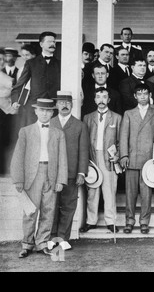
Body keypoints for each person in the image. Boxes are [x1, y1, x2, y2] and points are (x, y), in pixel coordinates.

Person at [10, 98, 67, 258]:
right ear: (36, 111)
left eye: (48, 110)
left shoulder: (58, 133)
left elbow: (62, 158)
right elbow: (18, 157)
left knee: (48, 211)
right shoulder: (25, 131)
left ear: (52, 112)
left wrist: (60, 180)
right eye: (41, 110)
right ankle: (27, 244)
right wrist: (18, 179)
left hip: (51, 174)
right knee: (30, 211)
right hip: (32, 176)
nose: (45, 113)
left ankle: (42, 243)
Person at [50, 91, 89, 249]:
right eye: (61, 103)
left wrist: (81, 172)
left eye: (67, 103)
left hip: (72, 173)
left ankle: (63, 237)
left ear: (72, 105)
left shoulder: (80, 125)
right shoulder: (50, 123)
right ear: (56, 105)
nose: (64, 105)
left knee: (68, 205)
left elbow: (83, 150)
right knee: (51, 206)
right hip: (52, 173)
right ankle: (51, 238)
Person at [80, 87, 122, 233]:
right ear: (94, 100)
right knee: (92, 190)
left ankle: (111, 221)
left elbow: (120, 141)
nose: (101, 100)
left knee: (110, 190)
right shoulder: (87, 117)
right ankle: (91, 221)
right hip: (92, 157)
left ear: (109, 100)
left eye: (104, 97)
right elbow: (83, 140)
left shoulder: (116, 118)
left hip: (109, 158)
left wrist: (117, 155)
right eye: (98, 97)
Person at [119, 83, 154, 234]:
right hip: (132, 158)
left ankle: (144, 222)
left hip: (148, 159)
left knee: (146, 193)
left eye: (145, 94)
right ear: (135, 96)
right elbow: (123, 136)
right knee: (130, 193)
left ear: (149, 95)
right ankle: (129, 221)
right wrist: (123, 155)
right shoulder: (129, 113)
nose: (143, 97)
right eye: (140, 94)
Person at [11, 31, 61, 127]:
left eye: (54, 42)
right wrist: (14, 100)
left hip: (53, 107)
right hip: (34, 107)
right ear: (41, 44)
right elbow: (20, 84)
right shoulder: (31, 63)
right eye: (49, 41)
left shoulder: (60, 63)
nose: (52, 44)